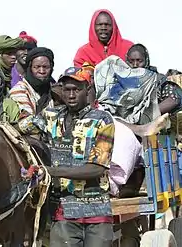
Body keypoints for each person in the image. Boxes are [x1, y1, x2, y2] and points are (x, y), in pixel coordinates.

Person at [41, 67, 115, 247]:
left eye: (77, 89)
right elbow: (19, 128)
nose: (71, 95)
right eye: (67, 90)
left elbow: (97, 168)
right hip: (63, 211)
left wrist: (52, 171)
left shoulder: (102, 120)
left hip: (96, 211)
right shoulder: (50, 117)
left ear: (87, 90)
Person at [126, 43, 182, 115]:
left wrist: (146, 115)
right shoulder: (120, 82)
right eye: (131, 61)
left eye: (139, 61)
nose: (135, 65)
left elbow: (173, 99)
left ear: (146, 61)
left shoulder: (157, 80)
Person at [10, 47, 55, 117]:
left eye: (45, 67)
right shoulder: (20, 90)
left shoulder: (54, 90)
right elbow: (27, 121)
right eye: (37, 67)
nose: (42, 71)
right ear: (30, 68)